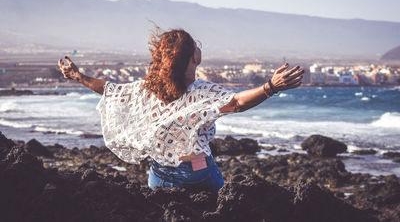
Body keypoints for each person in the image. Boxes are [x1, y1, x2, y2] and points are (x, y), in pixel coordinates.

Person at [58, 28, 303, 193]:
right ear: (192, 58)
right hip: (200, 174)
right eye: (195, 45)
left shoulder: (147, 88)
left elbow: (111, 90)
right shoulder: (201, 91)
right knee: (226, 207)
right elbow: (237, 103)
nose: (198, 47)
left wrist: (77, 76)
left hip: (160, 176)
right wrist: (271, 87)